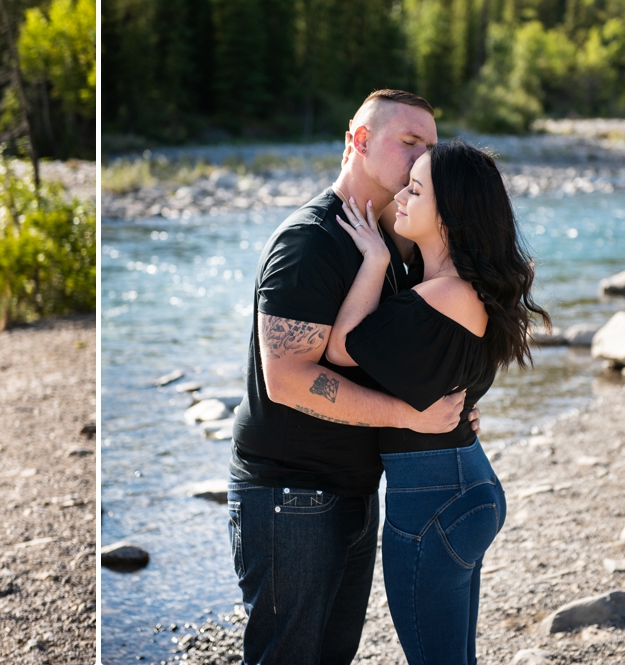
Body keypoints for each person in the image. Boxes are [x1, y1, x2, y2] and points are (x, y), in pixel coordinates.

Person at [228, 90, 475, 664]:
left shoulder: (391, 240)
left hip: (354, 491)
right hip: (290, 496)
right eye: (408, 142)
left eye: (429, 148)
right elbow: (286, 379)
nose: (421, 160)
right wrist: (407, 415)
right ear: (359, 141)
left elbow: (401, 350)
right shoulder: (309, 243)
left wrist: (452, 400)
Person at [325, 140, 546, 664]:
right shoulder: (464, 290)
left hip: (432, 496)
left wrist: (375, 260)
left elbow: (340, 346)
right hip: (460, 480)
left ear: (449, 214)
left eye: (416, 189)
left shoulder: (443, 294)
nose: (400, 195)